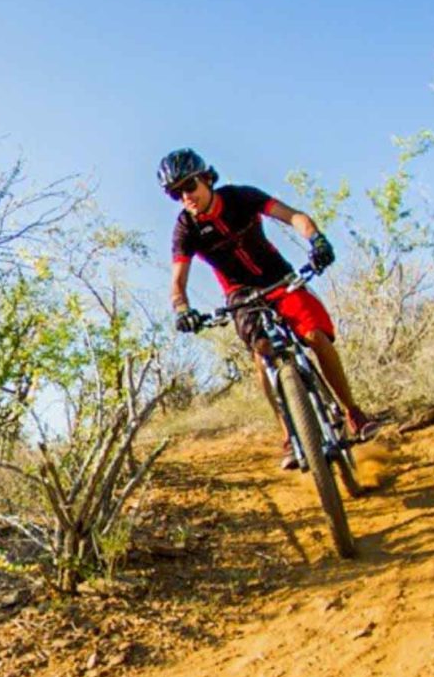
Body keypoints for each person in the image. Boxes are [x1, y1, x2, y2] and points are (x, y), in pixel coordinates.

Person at [160, 148, 376, 469]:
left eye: (189, 186)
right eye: (175, 193)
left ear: (206, 178)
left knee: (315, 335)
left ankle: (352, 411)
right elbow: (177, 284)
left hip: (279, 277)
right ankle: (289, 434)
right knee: (262, 353)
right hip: (240, 293)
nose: (185, 197)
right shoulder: (185, 229)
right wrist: (182, 311)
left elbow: (293, 216)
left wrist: (316, 240)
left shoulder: (240, 197)